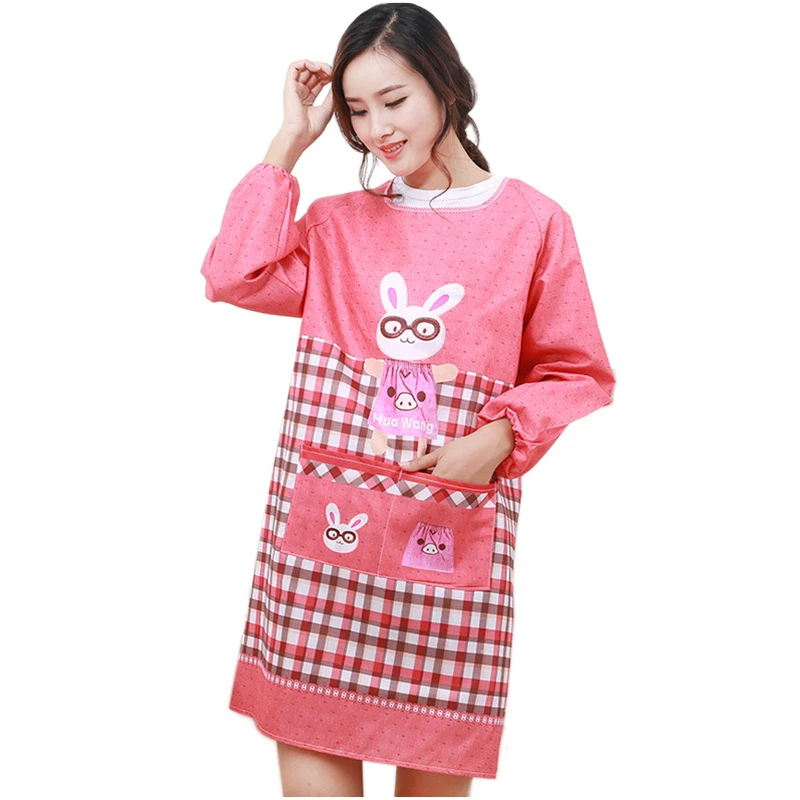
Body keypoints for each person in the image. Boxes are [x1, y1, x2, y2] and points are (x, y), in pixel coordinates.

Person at [200, 3, 615, 796]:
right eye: (357, 111)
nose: (377, 130)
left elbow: (577, 370)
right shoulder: (336, 225)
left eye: (394, 101)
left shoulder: (533, 224)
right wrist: (290, 140)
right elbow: (232, 275)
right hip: (324, 559)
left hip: (447, 540)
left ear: (446, 85)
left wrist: (498, 437)